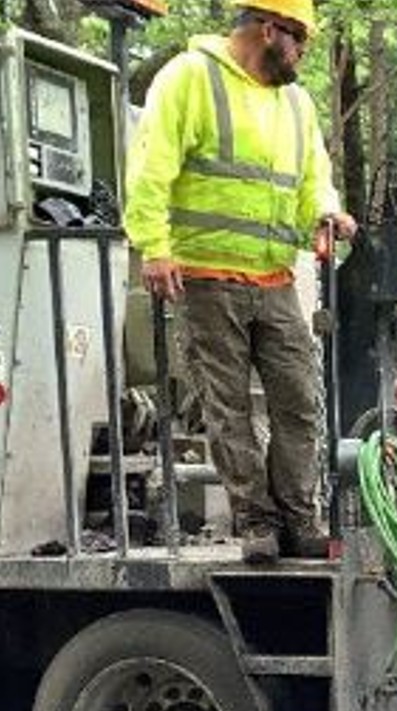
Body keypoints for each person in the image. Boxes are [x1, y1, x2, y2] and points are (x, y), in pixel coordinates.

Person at [125, 1, 356, 563]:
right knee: (227, 409)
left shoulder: (296, 105)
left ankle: (300, 518)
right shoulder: (189, 79)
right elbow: (151, 168)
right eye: (299, 40)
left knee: (299, 402)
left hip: (274, 281)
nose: (303, 54)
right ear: (269, 30)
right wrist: (154, 249)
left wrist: (329, 212)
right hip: (203, 280)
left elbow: (312, 183)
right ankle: (257, 523)